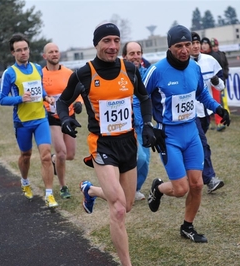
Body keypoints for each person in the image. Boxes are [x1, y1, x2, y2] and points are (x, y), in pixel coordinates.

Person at [56, 22, 156, 266]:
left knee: (128, 204)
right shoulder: (83, 73)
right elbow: (62, 101)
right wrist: (67, 119)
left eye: (115, 41)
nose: (112, 46)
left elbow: (143, 97)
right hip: (102, 145)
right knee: (119, 209)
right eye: (106, 41)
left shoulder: (130, 69)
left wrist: (150, 125)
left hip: (128, 143)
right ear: (96, 44)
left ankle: (89, 190)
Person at [143, 25, 230, 243]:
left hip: (191, 132)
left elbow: (201, 93)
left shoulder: (194, 68)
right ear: (170, 47)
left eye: (187, 45)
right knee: (180, 189)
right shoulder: (156, 70)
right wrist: (147, 125)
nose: (184, 50)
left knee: (198, 184)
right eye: (178, 46)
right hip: (168, 135)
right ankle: (159, 188)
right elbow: (139, 98)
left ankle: (187, 226)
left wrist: (217, 108)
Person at [0, 33, 59, 208]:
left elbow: (41, 89)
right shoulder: (9, 73)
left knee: (46, 156)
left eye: (25, 49)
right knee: (26, 156)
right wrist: (19, 99)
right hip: (22, 122)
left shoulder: (37, 68)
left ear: (29, 50)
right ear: (13, 53)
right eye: (19, 50)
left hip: (40, 118)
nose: (23, 52)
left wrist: (47, 98)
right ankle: (24, 181)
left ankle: (49, 195)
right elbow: (1, 99)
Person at [42, 42, 83, 199]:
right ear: (45, 56)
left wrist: (79, 102)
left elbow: (77, 90)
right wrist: (45, 103)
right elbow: (38, 93)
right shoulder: (41, 74)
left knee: (70, 154)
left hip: (69, 115)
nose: (54, 54)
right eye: (50, 52)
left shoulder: (68, 73)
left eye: (56, 51)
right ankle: (63, 186)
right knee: (61, 153)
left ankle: (53, 159)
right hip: (52, 117)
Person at [190, 32, 225, 193]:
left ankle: (189, 173)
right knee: (203, 145)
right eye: (192, 43)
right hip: (191, 114)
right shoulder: (183, 65)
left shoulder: (210, 61)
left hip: (206, 113)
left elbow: (221, 86)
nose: (196, 46)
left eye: (197, 42)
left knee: (195, 147)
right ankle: (210, 178)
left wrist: (215, 80)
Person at [122, 41, 150, 201]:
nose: (136, 56)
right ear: (124, 56)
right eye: (132, 53)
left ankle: (135, 189)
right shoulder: (119, 75)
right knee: (139, 158)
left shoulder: (147, 73)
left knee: (145, 162)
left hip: (145, 125)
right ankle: (124, 186)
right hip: (127, 126)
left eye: (138, 53)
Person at [201, 37, 229, 131]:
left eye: (206, 44)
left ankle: (219, 122)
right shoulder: (200, 56)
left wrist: (221, 79)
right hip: (205, 85)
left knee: (217, 102)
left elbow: (222, 69)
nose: (204, 46)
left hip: (215, 83)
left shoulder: (215, 56)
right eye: (203, 44)